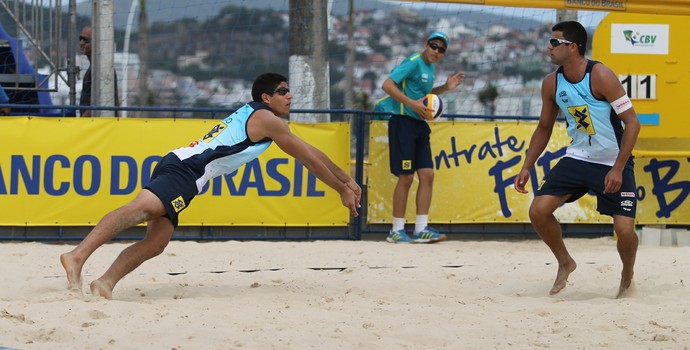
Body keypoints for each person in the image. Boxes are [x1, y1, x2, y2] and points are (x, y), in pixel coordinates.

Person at [60, 73, 362, 299]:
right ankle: (77, 256)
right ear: (266, 97)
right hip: (187, 169)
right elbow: (307, 159)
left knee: (157, 241)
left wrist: (346, 179)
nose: (290, 96)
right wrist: (340, 189)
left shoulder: (266, 119)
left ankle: (105, 283)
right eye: (283, 91)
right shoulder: (264, 118)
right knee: (142, 209)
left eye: (289, 91)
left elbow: (310, 151)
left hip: (185, 170)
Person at [513, 21, 640, 298]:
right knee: (538, 210)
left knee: (625, 231)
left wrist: (618, 167)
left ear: (573, 47)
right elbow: (544, 128)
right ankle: (565, 262)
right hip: (579, 157)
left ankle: (627, 273)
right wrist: (526, 165)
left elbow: (632, 123)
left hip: (612, 159)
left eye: (554, 42)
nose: (549, 47)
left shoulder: (601, 75)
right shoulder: (551, 83)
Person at [374, 31, 464, 243]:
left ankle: (421, 228)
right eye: (434, 46)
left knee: (428, 175)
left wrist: (446, 88)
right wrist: (413, 105)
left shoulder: (430, 68)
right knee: (405, 177)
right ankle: (396, 230)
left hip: (420, 124)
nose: (436, 51)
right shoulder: (413, 61)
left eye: (441, 49)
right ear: (426, 44)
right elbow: (387, 85)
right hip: (403, 122)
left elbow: (425, 97)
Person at [78, 25, 119, 117]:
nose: (81, 43)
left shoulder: (101, 68)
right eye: (80, 39)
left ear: (97, 43)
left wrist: (81, 122)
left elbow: (97, 103)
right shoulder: (94, 67)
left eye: (86, 40)